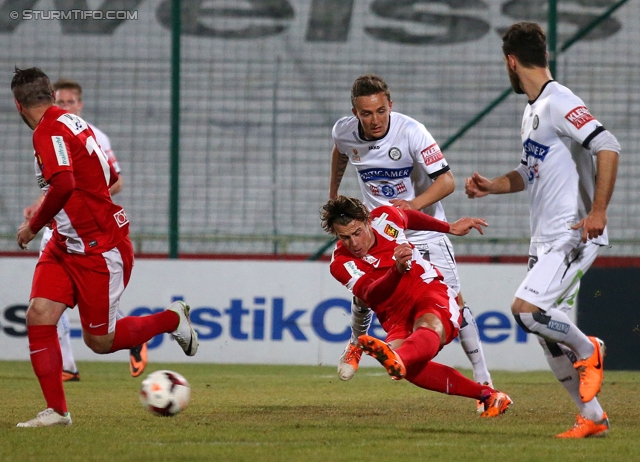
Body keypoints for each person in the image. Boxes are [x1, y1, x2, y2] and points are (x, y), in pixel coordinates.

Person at [12, 67, 199, 428]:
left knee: (100, 341)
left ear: (18, 105)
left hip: (98, 248)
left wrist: (34, 225)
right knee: (39, 315)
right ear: (51, 95)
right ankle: (57, 412)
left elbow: (64, 183)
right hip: (66, 244)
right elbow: (110, 178)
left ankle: (172, 318)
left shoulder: (48, 130)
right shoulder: (76, 124)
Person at [464, 22, 620, 438]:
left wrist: (598, 210)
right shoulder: (533, 109)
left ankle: (590, 349)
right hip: (545, 238)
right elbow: (531, 171)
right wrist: (493, 186)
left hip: (573, 233)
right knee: (549, 338)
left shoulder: (559, 102)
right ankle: (593, 417)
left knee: (526, 312)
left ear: (510, 62)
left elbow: (608, 145)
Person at [329, 74, 493, 411]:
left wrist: (413, 207)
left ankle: (484, 379)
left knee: (455, 305)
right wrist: (333, 195)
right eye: (366, 114)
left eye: (380, 111)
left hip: (421, 226)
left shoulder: (412, 132)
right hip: (377, 229)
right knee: (365, 289)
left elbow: (446, 181)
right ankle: (355, 345)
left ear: (391, 105)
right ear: (354, 113)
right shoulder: (343, 132)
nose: (374, 120)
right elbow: (341, 152)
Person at [322, 196, 512, 417]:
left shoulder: (385, 218)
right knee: (407, 369)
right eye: (345, 237)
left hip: (427, 289)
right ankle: (489, 395)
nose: (354, 243)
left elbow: (408, 216)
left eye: (357, 233)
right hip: (394, 314)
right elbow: (369, 294)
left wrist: (448, 227)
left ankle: (394, 355)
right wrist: (396, 270)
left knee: (428, 325)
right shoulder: (341, 263)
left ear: (367, 221)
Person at [22, 78, 148, 380]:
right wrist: (41, 204)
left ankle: (132, 333)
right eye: (60, 102)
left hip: (90, 231)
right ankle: (66, 365)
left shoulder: (91, 134)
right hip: (59, 226)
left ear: (80, 104)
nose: (64, 107)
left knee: (95, 326)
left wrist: (82, 203)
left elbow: (113, 180)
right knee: (44, 306)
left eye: (70, 102)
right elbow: (57, 181)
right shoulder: (49, 133)